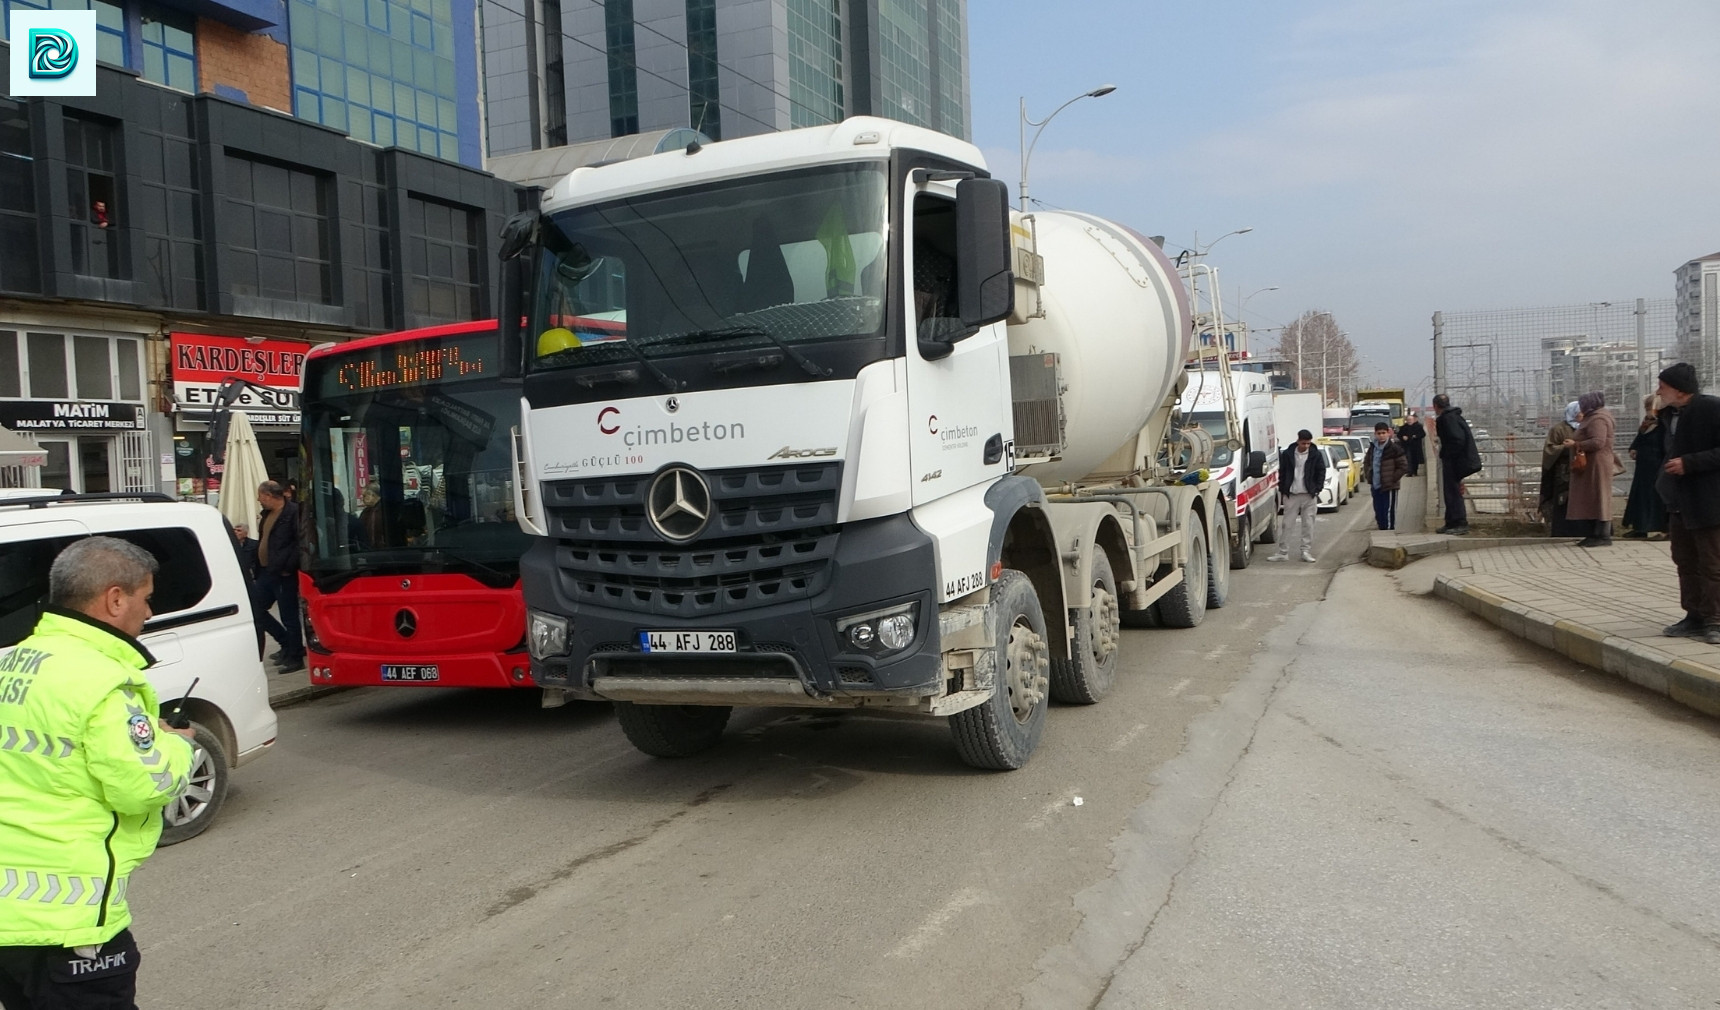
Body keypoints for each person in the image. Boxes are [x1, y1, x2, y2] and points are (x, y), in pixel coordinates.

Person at [0, 537, 194, 1009]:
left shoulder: (13, 662)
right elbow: (144, 786)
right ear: (114, 598)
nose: (149, 612)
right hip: (70, 927)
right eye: (146, 599)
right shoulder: (103, 683)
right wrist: (174, 745)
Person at [1655, 363, 1720, 643]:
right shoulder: (1668, 415)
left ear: (1680, 390)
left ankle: (1715, 620)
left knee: (1712, 563)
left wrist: (1690, 464)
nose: (1658, 391)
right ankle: (1693, 615)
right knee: (1685, 561)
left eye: (1663, 386)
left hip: (1708, 501)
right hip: (1679, 501)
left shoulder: (1711, 409)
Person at [251, 480, 304, 673]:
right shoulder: (267, 514)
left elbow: (301, 542)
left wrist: (288, 566)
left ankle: (295, 656)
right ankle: (285, 643)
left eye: (260, 495)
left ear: (270, 496)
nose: (258, 499)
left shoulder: (292, 513)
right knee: (256, 608)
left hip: (283, 572)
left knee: (289, 615)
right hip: (266, 571)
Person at [1563, 390, 1616, 547]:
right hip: (1593, 464)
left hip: (1596, 464)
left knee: (1598, 496)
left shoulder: (1598, 419)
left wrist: (1576, 444)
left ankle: (1602, 535)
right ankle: (1595, 533)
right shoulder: (1595, 416)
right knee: (1594, 497)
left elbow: (1598, 441)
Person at [1266, 429, 1326, 563]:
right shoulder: (1288, 454)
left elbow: (1321, 471)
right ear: (1298, 441)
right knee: (1287, 524)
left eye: (1308, 444)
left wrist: (1317, 489)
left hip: (1309, 495)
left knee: (1308, 524)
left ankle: (1305, 551)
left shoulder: (1315, 455)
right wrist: (1283, 489)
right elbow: (1282, 472)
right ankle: (1283, 552)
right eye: (1304, 443)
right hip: (1291, 495)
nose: (1306, 446)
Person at [1432, 393, 1481, 535]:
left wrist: (1447, 454)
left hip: (1454, 461)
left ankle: (1460, 523)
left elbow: (1457, 440)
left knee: (1453, 493)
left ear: (1435, 406)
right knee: (1450, 492)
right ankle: (1451, 522)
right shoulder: (1453, 416)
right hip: (1457, 460)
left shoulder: (1447, 419)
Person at [1623, 394, 1668, 539]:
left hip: (1657, 465)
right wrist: (1633, 448)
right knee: (1640, 496)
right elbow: (1640, 438)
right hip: (1643, 466)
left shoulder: (1664, 424)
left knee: (1655, 497)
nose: (1648, 411)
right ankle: (1640, 527)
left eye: (1650, 407)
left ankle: (1660, 527)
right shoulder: (1647, 423)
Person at [1539, 401, 1586, 537]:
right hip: (1563, 474)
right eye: (1579, 412)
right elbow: (1549, 449)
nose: (1581, 415)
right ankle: (1563, 531)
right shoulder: (1559, 429)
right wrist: (1564, 448)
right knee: (1563, 502)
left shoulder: (1586, 427)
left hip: (1582, 472)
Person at [1362, 421, 1408, 530]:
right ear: (1375, 434)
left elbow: (1403, 466)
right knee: (1378, 509)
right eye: (1379, 433)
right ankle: (1381, 527)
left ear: (1388, 433)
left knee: (1388, 510)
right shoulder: (1373, 447)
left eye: (1383, 433)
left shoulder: (1394, 448)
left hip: (1389, 486)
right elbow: (1367, 462)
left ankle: (1388, 531)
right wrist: (1369, 474)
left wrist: (1392, 478)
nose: (1381, 435)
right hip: (1376, 484)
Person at [1398, 410, 1426, 477]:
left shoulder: (1418, 426)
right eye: (1408, 420)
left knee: (1415, 459)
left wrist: (1416, 436)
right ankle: (1409, 472)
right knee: (1408, 458)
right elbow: (1399, 435)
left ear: (1413, 420)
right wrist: (1403, 437)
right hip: (1407, 446)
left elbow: (1423, 434)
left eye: (1410, 419)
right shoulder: (1403, 427)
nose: (1409, 421)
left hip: (1416, 446)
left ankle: (1415, 472)